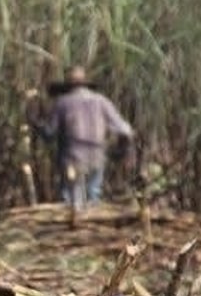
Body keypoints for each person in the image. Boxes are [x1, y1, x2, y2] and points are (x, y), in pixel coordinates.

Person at [26, 65, 134, 208]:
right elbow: (126, 130)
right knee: (93, 196)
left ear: (68, 86)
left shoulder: (63, 103)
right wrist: (121, 149)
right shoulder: (102, 101)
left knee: (72, 200)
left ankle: (75, 223)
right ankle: (91, 222)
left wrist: (35, 123)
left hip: (72, 157)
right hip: (96, 156)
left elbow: (49, 133)